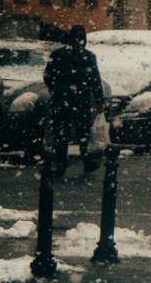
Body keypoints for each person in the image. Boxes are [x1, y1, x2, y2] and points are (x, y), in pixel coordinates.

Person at [43, 26, 108, 179]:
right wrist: (99, 100)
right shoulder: (88, 56)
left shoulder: (57, 55)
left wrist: (56, 89)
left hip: (61, 101)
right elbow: (95, 80)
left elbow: (47, 75)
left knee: (61, 134)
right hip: (81, 101)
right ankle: (87, 161)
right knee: (83, 133)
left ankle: (60, 165)